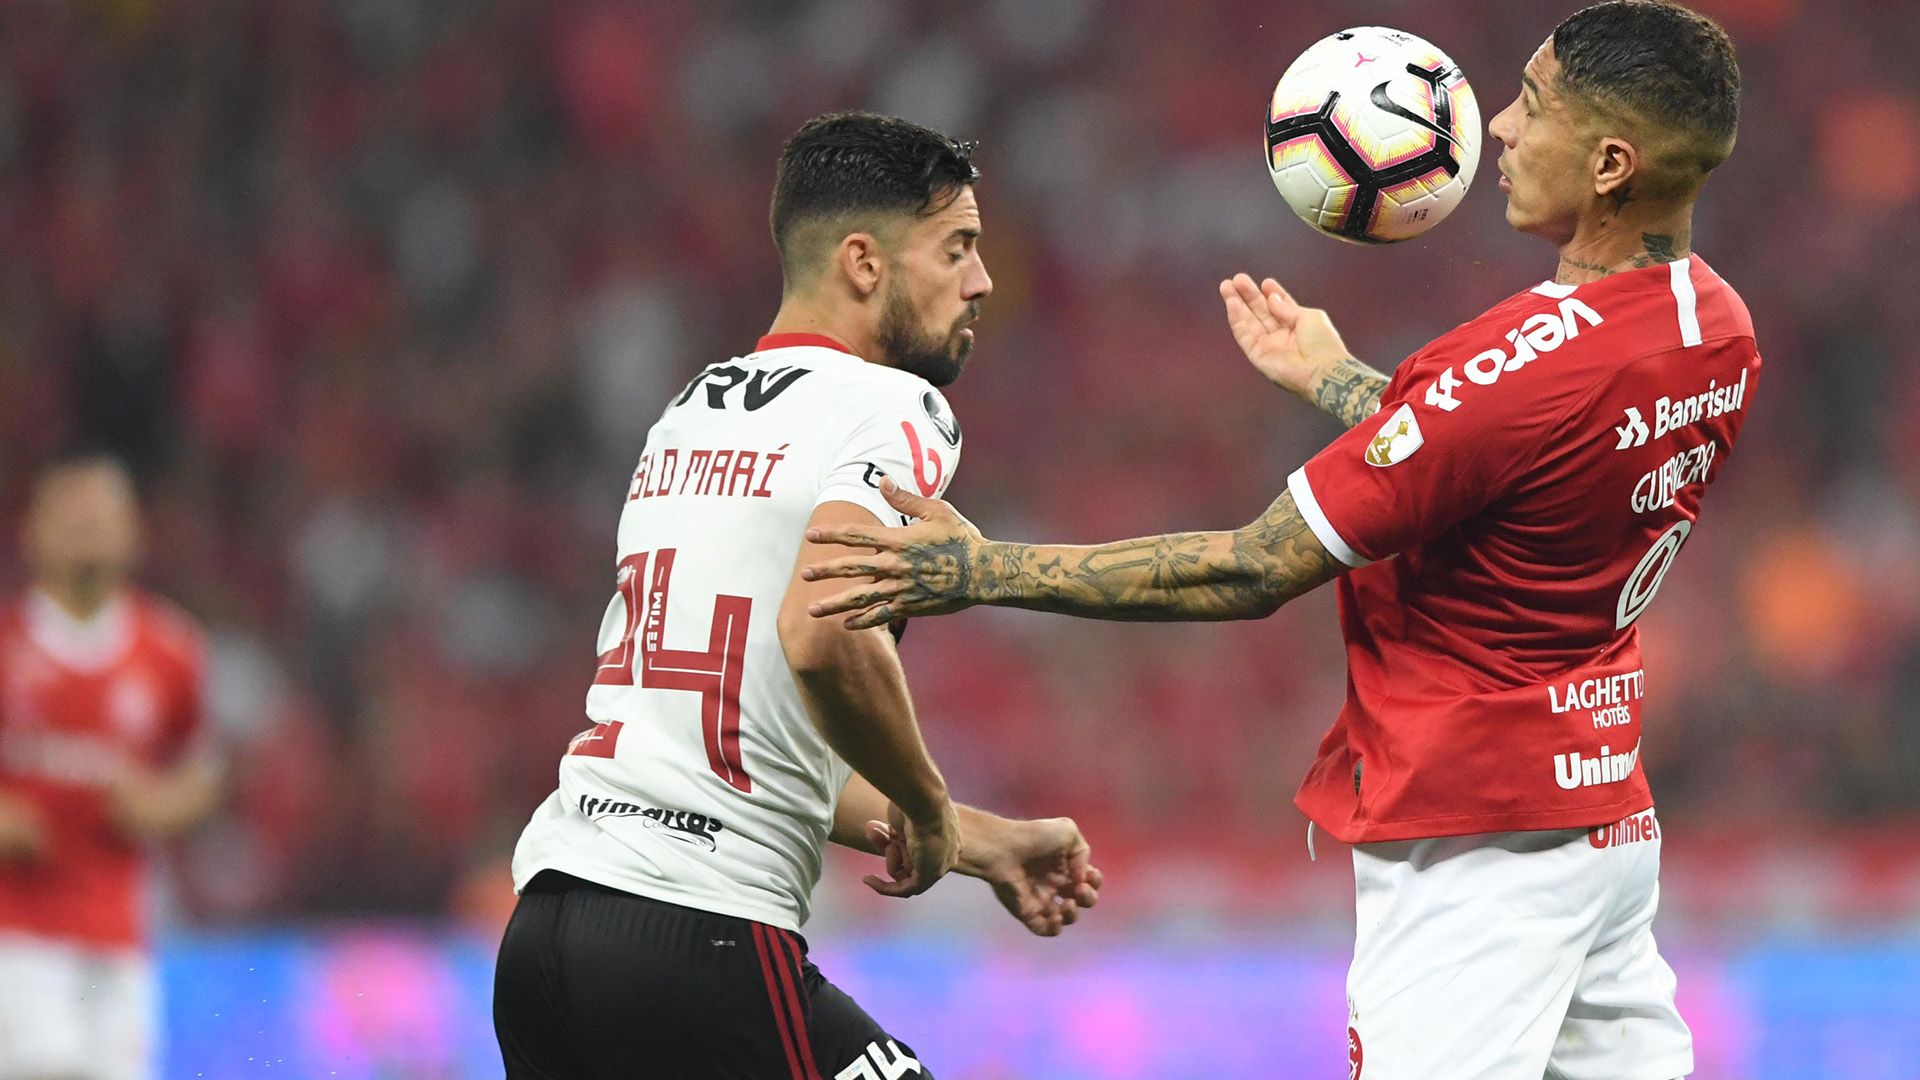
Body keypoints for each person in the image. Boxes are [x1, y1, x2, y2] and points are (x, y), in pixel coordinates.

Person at [803, 4, 1748, 1077]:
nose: (1503, 128)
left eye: (1534, 105)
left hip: (1477, 842)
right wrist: (1339, 380)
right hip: (1602, 815)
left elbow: (1254, 569)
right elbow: (1511, 455)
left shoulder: (1510, 369)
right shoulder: (1715, 327)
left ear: (1614, 163)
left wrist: (980, 569)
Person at [493, 112, 1102, 1080]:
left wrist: (978, 843)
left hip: (547, 938)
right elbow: (820, 634)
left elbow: (747, 741)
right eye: (958, 249)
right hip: (703, 941)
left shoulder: (687, 412)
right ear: (865, 263)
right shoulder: (894, 406)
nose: (982, 281)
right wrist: (928, 804)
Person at [0, 453, 222, 1080]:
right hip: (15, 928)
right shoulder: (7, 646)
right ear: (31, 530)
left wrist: (163, 806)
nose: (87, 529)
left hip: (120, 930)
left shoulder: (172, 652)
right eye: (70, 514)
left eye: (102, 514)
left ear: (135, 532)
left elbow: (203, 773)